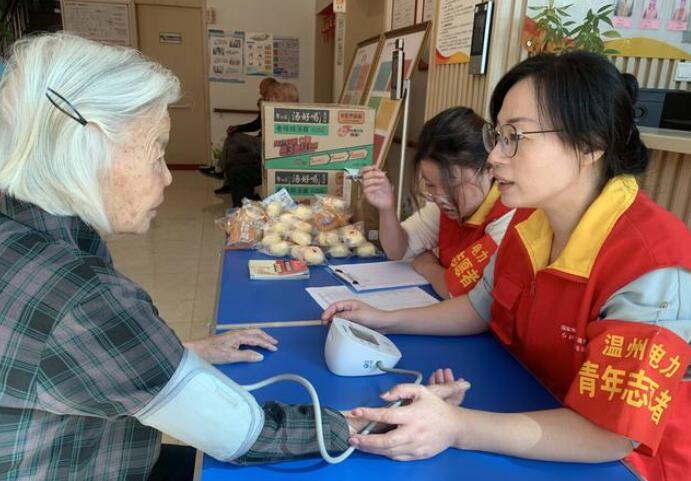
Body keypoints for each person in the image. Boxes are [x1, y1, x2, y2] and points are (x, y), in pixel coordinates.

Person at [0, 33, 357, 481]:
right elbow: (242, 433)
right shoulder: (78, 297)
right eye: (157, 150)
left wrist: (180, 353)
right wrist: (359, 424)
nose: (168, 176)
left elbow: (57, 362)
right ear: (87, 145)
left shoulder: (26, 230)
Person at [324, 51, 690, 481]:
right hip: (536, 412)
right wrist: (383, 320)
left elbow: (609, 435)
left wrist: (455, 427)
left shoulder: (654, 264)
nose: (494, 157)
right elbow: (479, 307)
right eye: (497, 136)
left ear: (590, 144)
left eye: (515, 136)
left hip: (628, 465)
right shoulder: (531, 221)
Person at [361, 107, 514, 299]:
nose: (440, 197)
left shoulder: (506, 217)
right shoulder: (444, 207)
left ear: (489, 168)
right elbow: (398, 250)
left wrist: (428, 265)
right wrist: (386, 209)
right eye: (430, 184)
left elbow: (456, 292)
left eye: (452, 185)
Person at [220, 81, 299, 206]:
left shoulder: (290, 118)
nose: (269, 100)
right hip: (268, 160)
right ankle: (249, 204)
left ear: (285, 99)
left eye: (273, 97)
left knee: (238, 172)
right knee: (235, 161)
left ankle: (245, 210)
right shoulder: (279, 114)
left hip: (279, 167)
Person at [199, 77, 277, 180]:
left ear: (269, 88)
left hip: (264, 143)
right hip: (259, 139)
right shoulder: (265, 102)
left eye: (261, 88)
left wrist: (237, 129)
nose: (260, 92)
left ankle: (218, 170)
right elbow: (257, 124)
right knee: (233, 146)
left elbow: (258, 126)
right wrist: (238, 127)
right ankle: (227, 183)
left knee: (234, 137)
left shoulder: (274, 104)